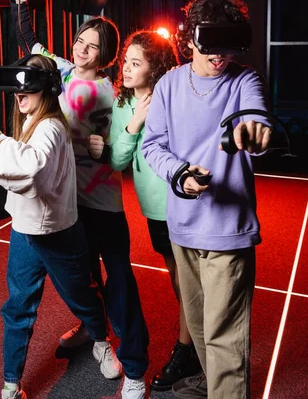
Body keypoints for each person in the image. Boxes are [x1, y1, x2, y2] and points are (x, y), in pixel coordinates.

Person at [10, 0, 149, 399]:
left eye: (93, 46)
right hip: (68, 204)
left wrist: (105, 149)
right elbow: (29, 42)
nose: (83, 49)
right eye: (79, 41)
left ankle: (136, 369)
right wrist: (21, 3)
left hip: (103, 203)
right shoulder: (60, 72)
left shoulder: (117, 91)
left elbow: (129, 148)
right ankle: (95, 334)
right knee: (83, 280)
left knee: (119, 281)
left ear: (106, 54)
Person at [141, 0, 272, 399]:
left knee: (226, 337)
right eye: (212, 44)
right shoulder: (168, 84)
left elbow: (255, 117)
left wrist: (252, 131)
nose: (221, 55)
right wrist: (179, 173)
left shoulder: (244, 80)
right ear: (191, 40)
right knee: (198, 326)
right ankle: (211, 384)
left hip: (228, 230)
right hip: (183, 228)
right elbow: (152, 145)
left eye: (230, 45)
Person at [0, 54, 120, 399]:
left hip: (57, 232)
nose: (19, 99)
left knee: (81, 295)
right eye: (16, 93)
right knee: (18, 307)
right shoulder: (26, 121)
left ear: (47, 91)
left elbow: (31, 168)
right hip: (24, 231)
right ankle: (11, 383)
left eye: (27, 92)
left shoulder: (52, 127)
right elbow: (18, 178)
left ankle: (100, 339)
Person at [108, 30, 202, 392]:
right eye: (125, 62)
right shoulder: (122, 105)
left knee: (186, 282)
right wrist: (134, 123)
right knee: (180, 280)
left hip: (182, 201)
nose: (127, 69)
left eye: (136, 63)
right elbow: (117, 159)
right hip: (153, 209)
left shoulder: (173, 96)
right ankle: (193, 345)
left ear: (155, 68)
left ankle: (187, 350)